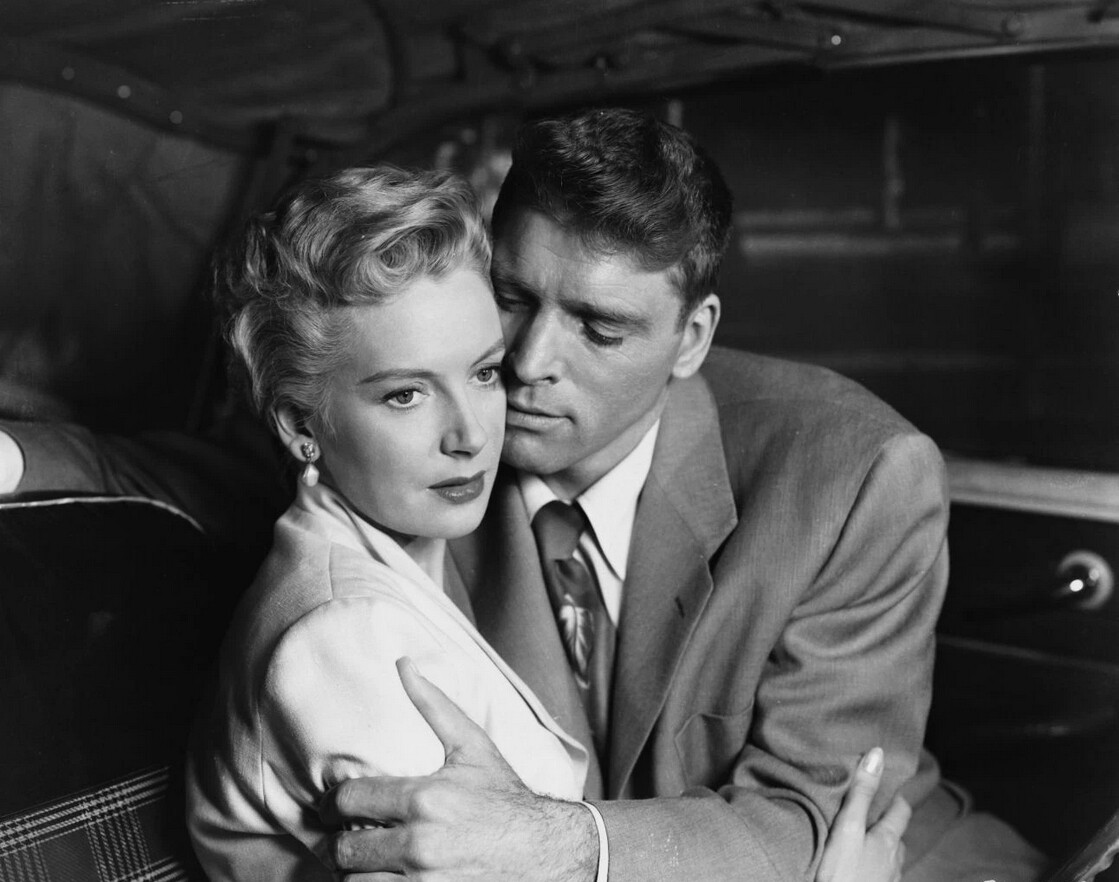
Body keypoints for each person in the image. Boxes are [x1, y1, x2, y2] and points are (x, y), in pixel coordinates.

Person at [0, 109, 1045, 881]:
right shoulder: (430, 434)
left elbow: (815, 820)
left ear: (691, 339)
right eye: (512, 296)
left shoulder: (856, 475)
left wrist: (561, 846)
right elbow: (186, 477)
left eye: (600, 327)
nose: (530, 362)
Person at [183, 164, 908, 882]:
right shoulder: (349, 638)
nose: (471, 434)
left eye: (482, 373)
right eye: (406, 395)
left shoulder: (394, 559)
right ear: (299, 423)